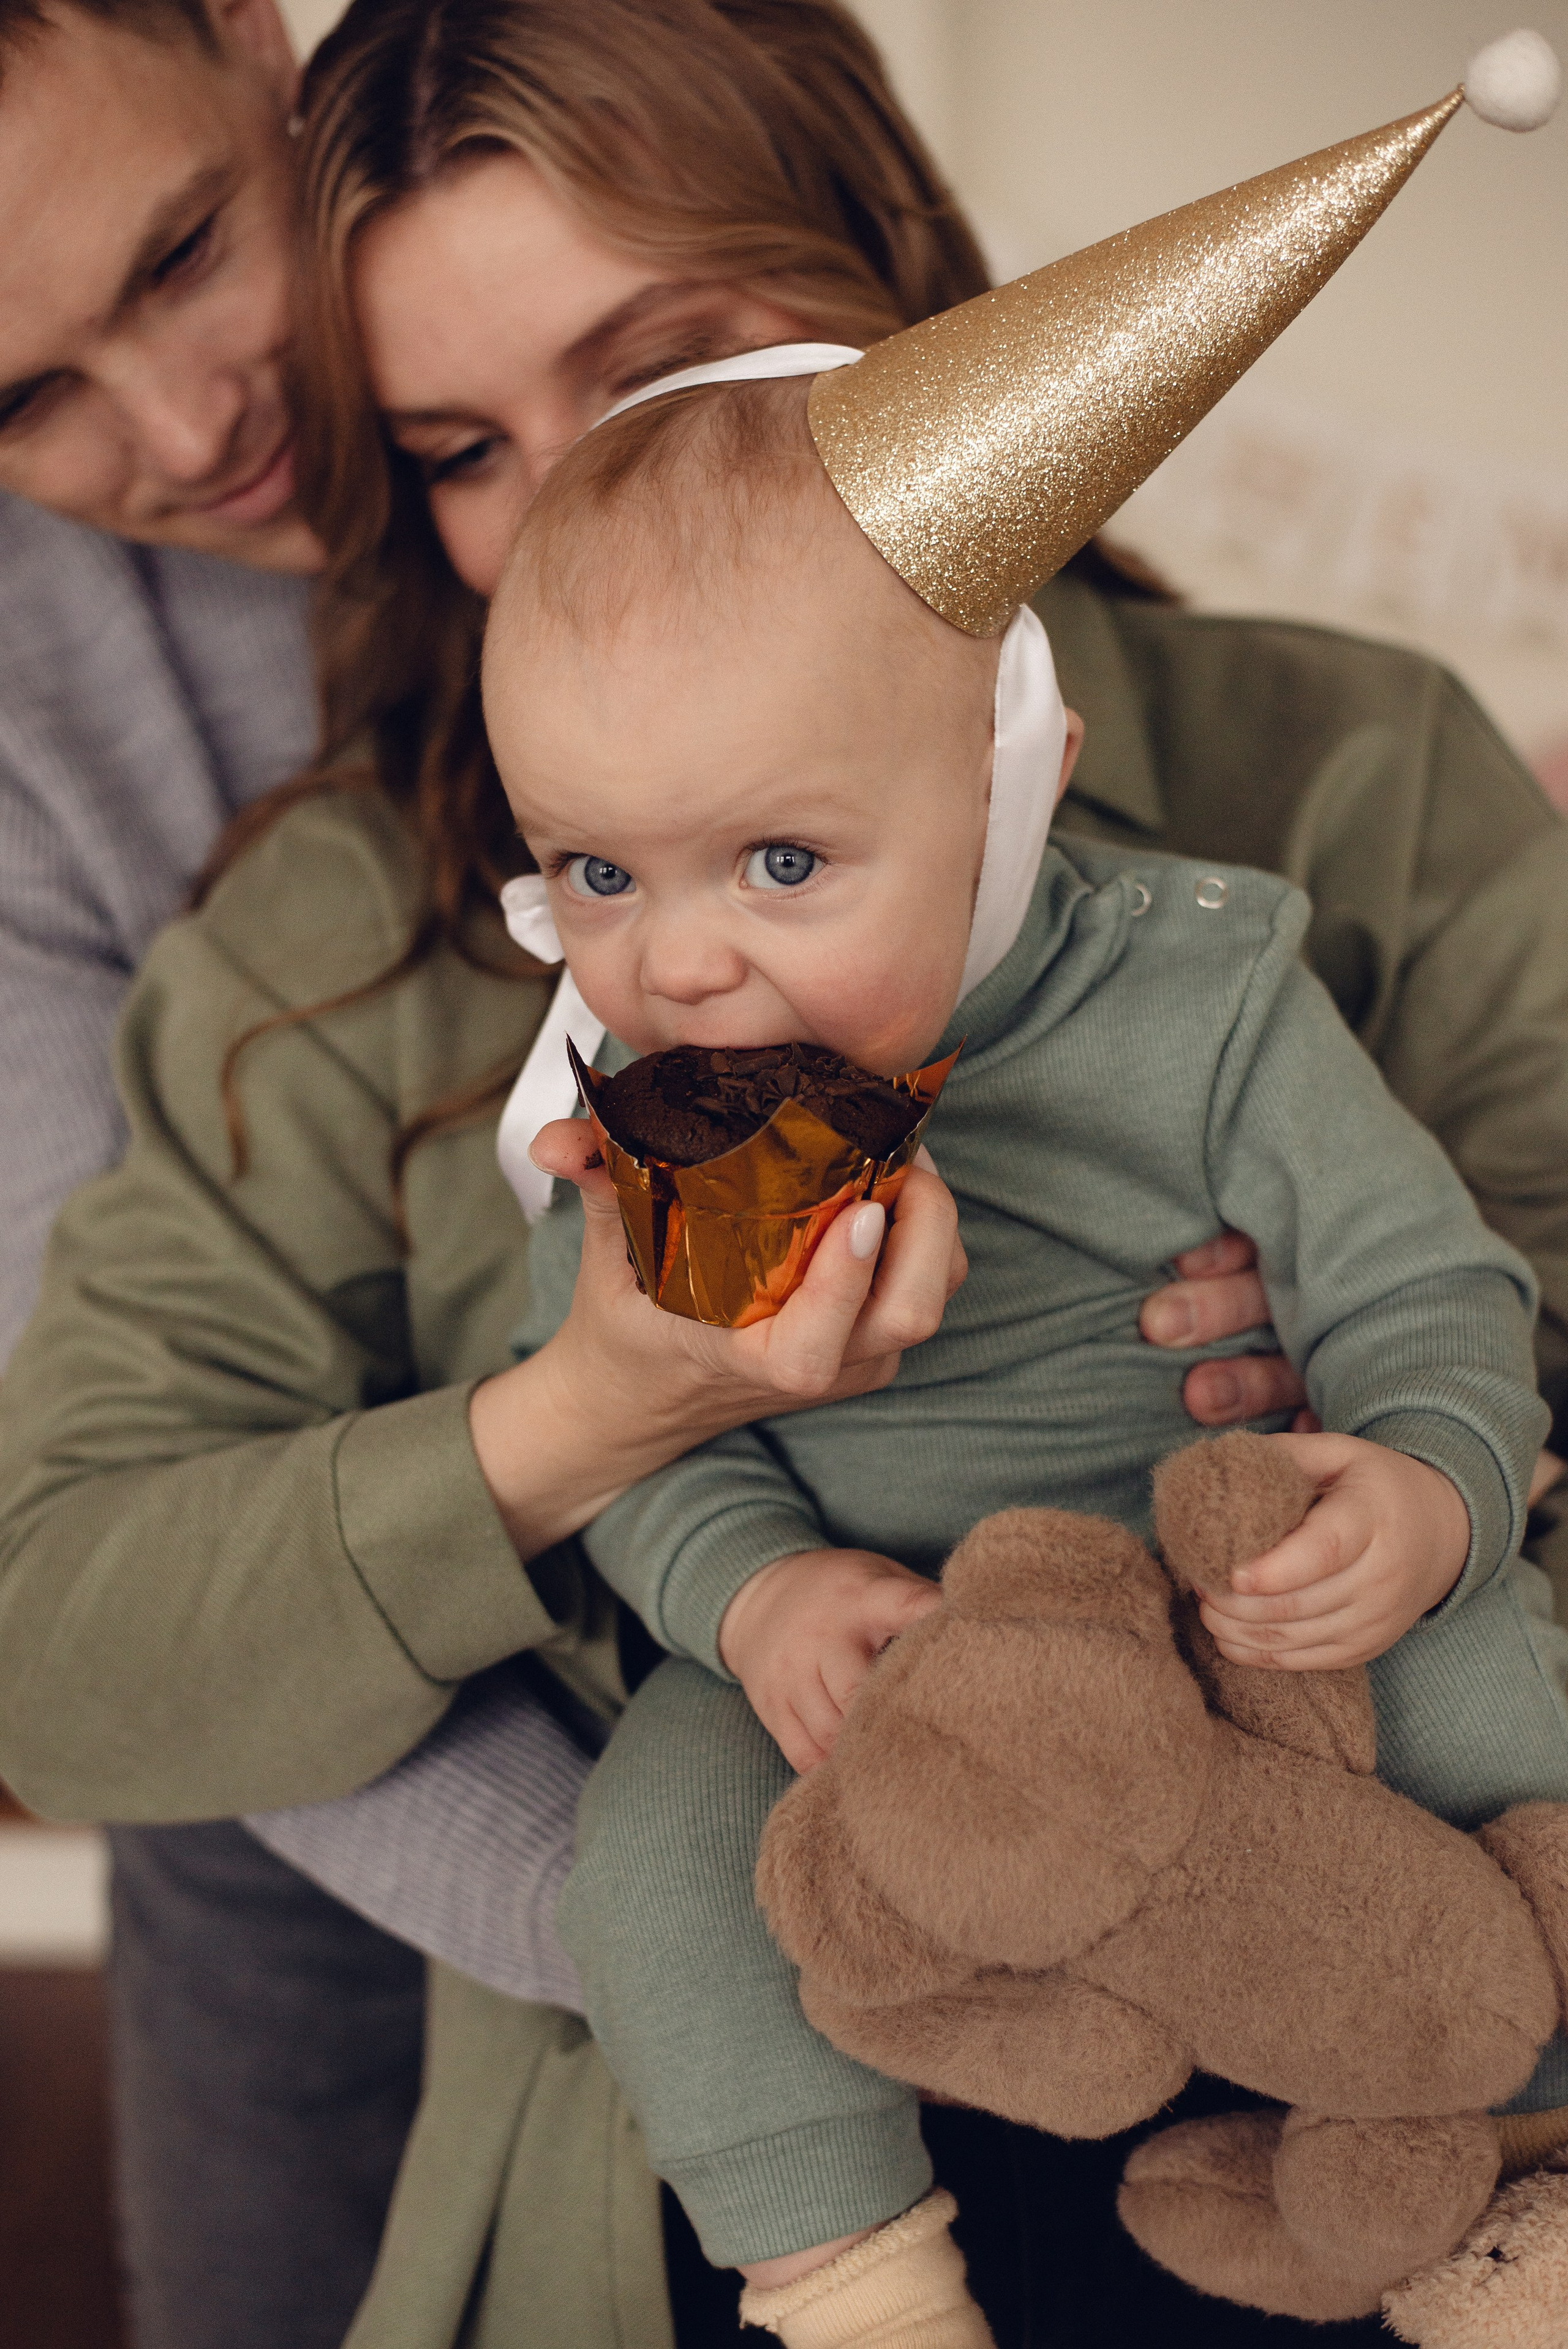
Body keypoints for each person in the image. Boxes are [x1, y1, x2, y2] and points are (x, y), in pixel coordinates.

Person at [0, 0, 1561, 2341]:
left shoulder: (1341, 783)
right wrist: (606, 1421)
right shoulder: (327, 960)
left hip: (1361, 1972)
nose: (587, 516)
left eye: (681, 376)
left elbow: (1490, 1306)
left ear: (903, 289)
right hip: (733, 2145)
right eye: (455, 446)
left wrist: (1416, 1439)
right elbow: (65, 1662)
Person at [478, 344, 1566, 2338]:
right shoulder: (645, 1100)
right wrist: (760, 1592)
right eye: (600, 874)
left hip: (1223, 1594)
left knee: (1501, 1680)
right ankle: (853, 2276)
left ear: (1009, 781)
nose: (684, 957)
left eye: (782, 862)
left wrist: (1420, 1484)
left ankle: (1515, 2186)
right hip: (893, 1652)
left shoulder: (1208, 996)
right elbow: (647, 1438)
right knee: (656, 1838)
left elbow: (1430, 1284)